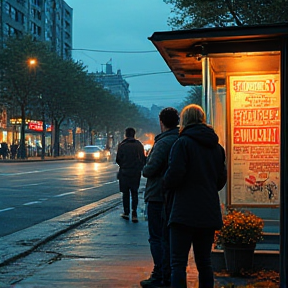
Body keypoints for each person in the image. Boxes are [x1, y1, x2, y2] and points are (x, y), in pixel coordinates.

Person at [163, 104, 227, 288]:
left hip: (183, 211)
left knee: (178, 264)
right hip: (208, 211)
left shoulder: (182, 143)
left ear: (184, 120)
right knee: (205, 262)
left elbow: (174, 176)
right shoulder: (217, 147)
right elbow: (221, 179)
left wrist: (165, 183)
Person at [140, 107, 179, 288]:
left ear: (161, 122)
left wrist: (146, 162)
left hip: (158, 195)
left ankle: (160, 274)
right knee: (168, 237)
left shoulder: (163, 142)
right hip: (173, 196)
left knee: (156, 237)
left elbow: (149, 170)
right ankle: (169, 273)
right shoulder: (180, 139)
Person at [116, 127, 146, 223]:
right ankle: (134, 213)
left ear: (126, 134)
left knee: (125, 193)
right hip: (135, 172)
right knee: (134, 193)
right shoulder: (139, 145)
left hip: (124, 172)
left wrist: (123, 165)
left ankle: (126, 212)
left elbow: (118, 159)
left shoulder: (122, 145)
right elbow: (143, 158)